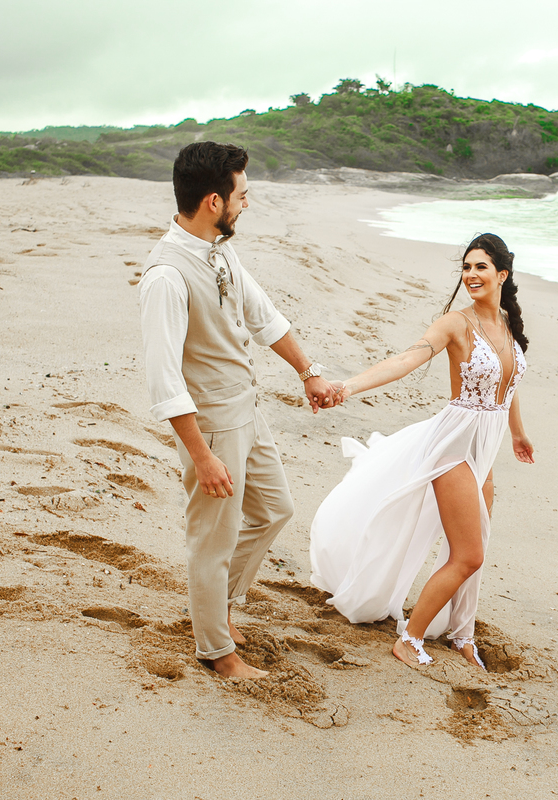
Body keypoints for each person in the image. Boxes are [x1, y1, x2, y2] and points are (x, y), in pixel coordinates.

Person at [138, 142, 339, 680]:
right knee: (213, 537)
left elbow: (262, 315)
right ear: (212, 200)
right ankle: (217, 651)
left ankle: (218, 607)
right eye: (241, 195)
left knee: (275, 509)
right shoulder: (165, 277)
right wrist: (202, 457)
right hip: (210, 424)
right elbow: (164, 381)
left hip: (248, 408)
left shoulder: (220, 247)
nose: (246, 204)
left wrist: (308, 371)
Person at [311, 233, 534, 670]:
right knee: (468, 553)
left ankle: (462, 634)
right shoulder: (456, 322)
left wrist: (517, 433)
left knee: (478, 548)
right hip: (454, 444)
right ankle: (410, 638)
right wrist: (347, 387)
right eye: (466, 268)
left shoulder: (507, 324)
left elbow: (509, 383)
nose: (471, 275)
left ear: (502, 274)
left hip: (485, 446)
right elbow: (406, 359)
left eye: (480, 267)